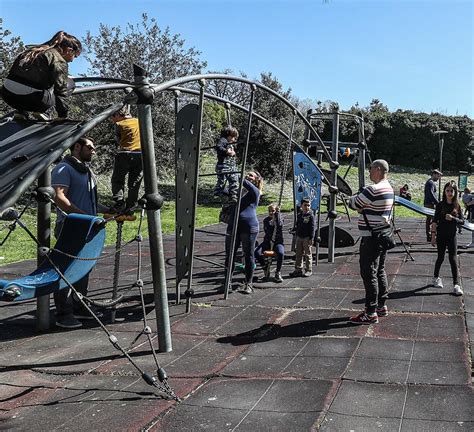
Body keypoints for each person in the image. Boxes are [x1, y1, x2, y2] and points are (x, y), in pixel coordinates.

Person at [51, 137, 104, 329]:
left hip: (87, 225)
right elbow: (59, 197)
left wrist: (109, 209)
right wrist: (84, 217)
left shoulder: (85, 170)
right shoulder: (64, 169)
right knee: (67, 269)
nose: (93, 151)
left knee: (84, 268)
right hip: (70, 226)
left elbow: (88, 201)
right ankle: (63, 313)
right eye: (90, 147)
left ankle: (80, 305)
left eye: (94, 147)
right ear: (77, 147)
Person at [348, 159, 394, 324]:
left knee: (369, 273)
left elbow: (353, 203)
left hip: (371, 237)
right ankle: (381, 306)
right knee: (380, 270)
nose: (369, 172)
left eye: (370, 169)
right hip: (383, 234)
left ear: (378, 169)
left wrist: (356, 201)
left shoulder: (373, 189)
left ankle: (370, 312)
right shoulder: (389, 188)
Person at [1, 31, 81, 120]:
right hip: (33, 100)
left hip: (7, 95)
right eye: (75, 56)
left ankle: (21, 112)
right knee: (68, 83)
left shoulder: (32, 51)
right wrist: (63, 115)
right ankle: (42, 112)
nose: (73, 60)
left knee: (26, 80)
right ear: (69, 50)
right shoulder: (58, 59)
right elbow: (61, 91)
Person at [225, 171, 263, 294]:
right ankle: (227, 282)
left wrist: (237, 175)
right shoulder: (238, 192)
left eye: (250, 175)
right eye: (246, 174)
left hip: (249, 227)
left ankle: (249, 283)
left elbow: (246, 184)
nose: (247, 176)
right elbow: (225, 191)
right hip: (233, 226)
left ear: (257, 179)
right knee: (230, 255)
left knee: (249, 255)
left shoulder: (255, 192)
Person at [431, 182, 464, 295]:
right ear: (444, 192)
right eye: (447, 191)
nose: (449, 193)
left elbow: (462, 222)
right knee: (440, 257)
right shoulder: (440, 205)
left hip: (452, 236)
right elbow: (434, 221)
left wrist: (453, 219)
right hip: (441, 235)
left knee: (453, 259)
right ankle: (436, 278)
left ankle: (456, 285)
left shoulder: (457, 206)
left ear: (455, 193)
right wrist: (433, 237)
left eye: (451, 191)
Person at [109, 105, 142, 212]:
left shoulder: (119, 124)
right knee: (134, 182)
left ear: (118, 115)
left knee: (117, 179)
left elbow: (118, 140)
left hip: (124, 153)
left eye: (112, 117)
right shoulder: (139, 121)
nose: (112, 120)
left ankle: (119, 202)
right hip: (140, 154)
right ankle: (131, 205)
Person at [255, 204, 285, 283]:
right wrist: (272, 223)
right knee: (256, 252)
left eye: (273, 211)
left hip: (278, 242)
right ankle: (264, 267)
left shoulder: (280, 218)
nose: (271, 213)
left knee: (281, 253)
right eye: (270, 211)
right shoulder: (266, 220)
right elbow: (268, 231)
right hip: (268, 241)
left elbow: (279, 225)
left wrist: (277, 216)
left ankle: (277, 272)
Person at [289, 199, 315, 278]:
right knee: (298, 253)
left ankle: (308, 270)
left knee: (307, 254)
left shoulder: (310, 215)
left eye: (308, 205)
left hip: (307, 237)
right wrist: (294, 230)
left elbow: (312, 227)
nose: (307, 207)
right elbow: (298, 225)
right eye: (305, 205)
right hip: (299, 236)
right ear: (301, 206)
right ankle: (298, 269)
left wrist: (311, 238)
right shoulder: (300, 215)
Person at [214, 126, 239, 202]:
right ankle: (218, 192)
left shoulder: (228, 143)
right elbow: (218, 147)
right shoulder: (223, 140)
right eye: (233, 137)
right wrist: (226, 151)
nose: (234, 140)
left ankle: (233, 195)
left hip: (230, 166)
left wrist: (233, 153)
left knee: (234, 179)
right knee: (222, 180)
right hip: (223, 166)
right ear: (229, 135)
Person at [424, 169, 442, 242]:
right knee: (434, 220)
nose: (438, 178)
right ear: (434, 174)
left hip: (428, 203)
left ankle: (429, 235)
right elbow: (431, 194)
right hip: (430, 204)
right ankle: (432, 235)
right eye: (438, 176)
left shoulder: (429, 182)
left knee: (429, 220)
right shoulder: (430, 183)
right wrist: (437, 203)